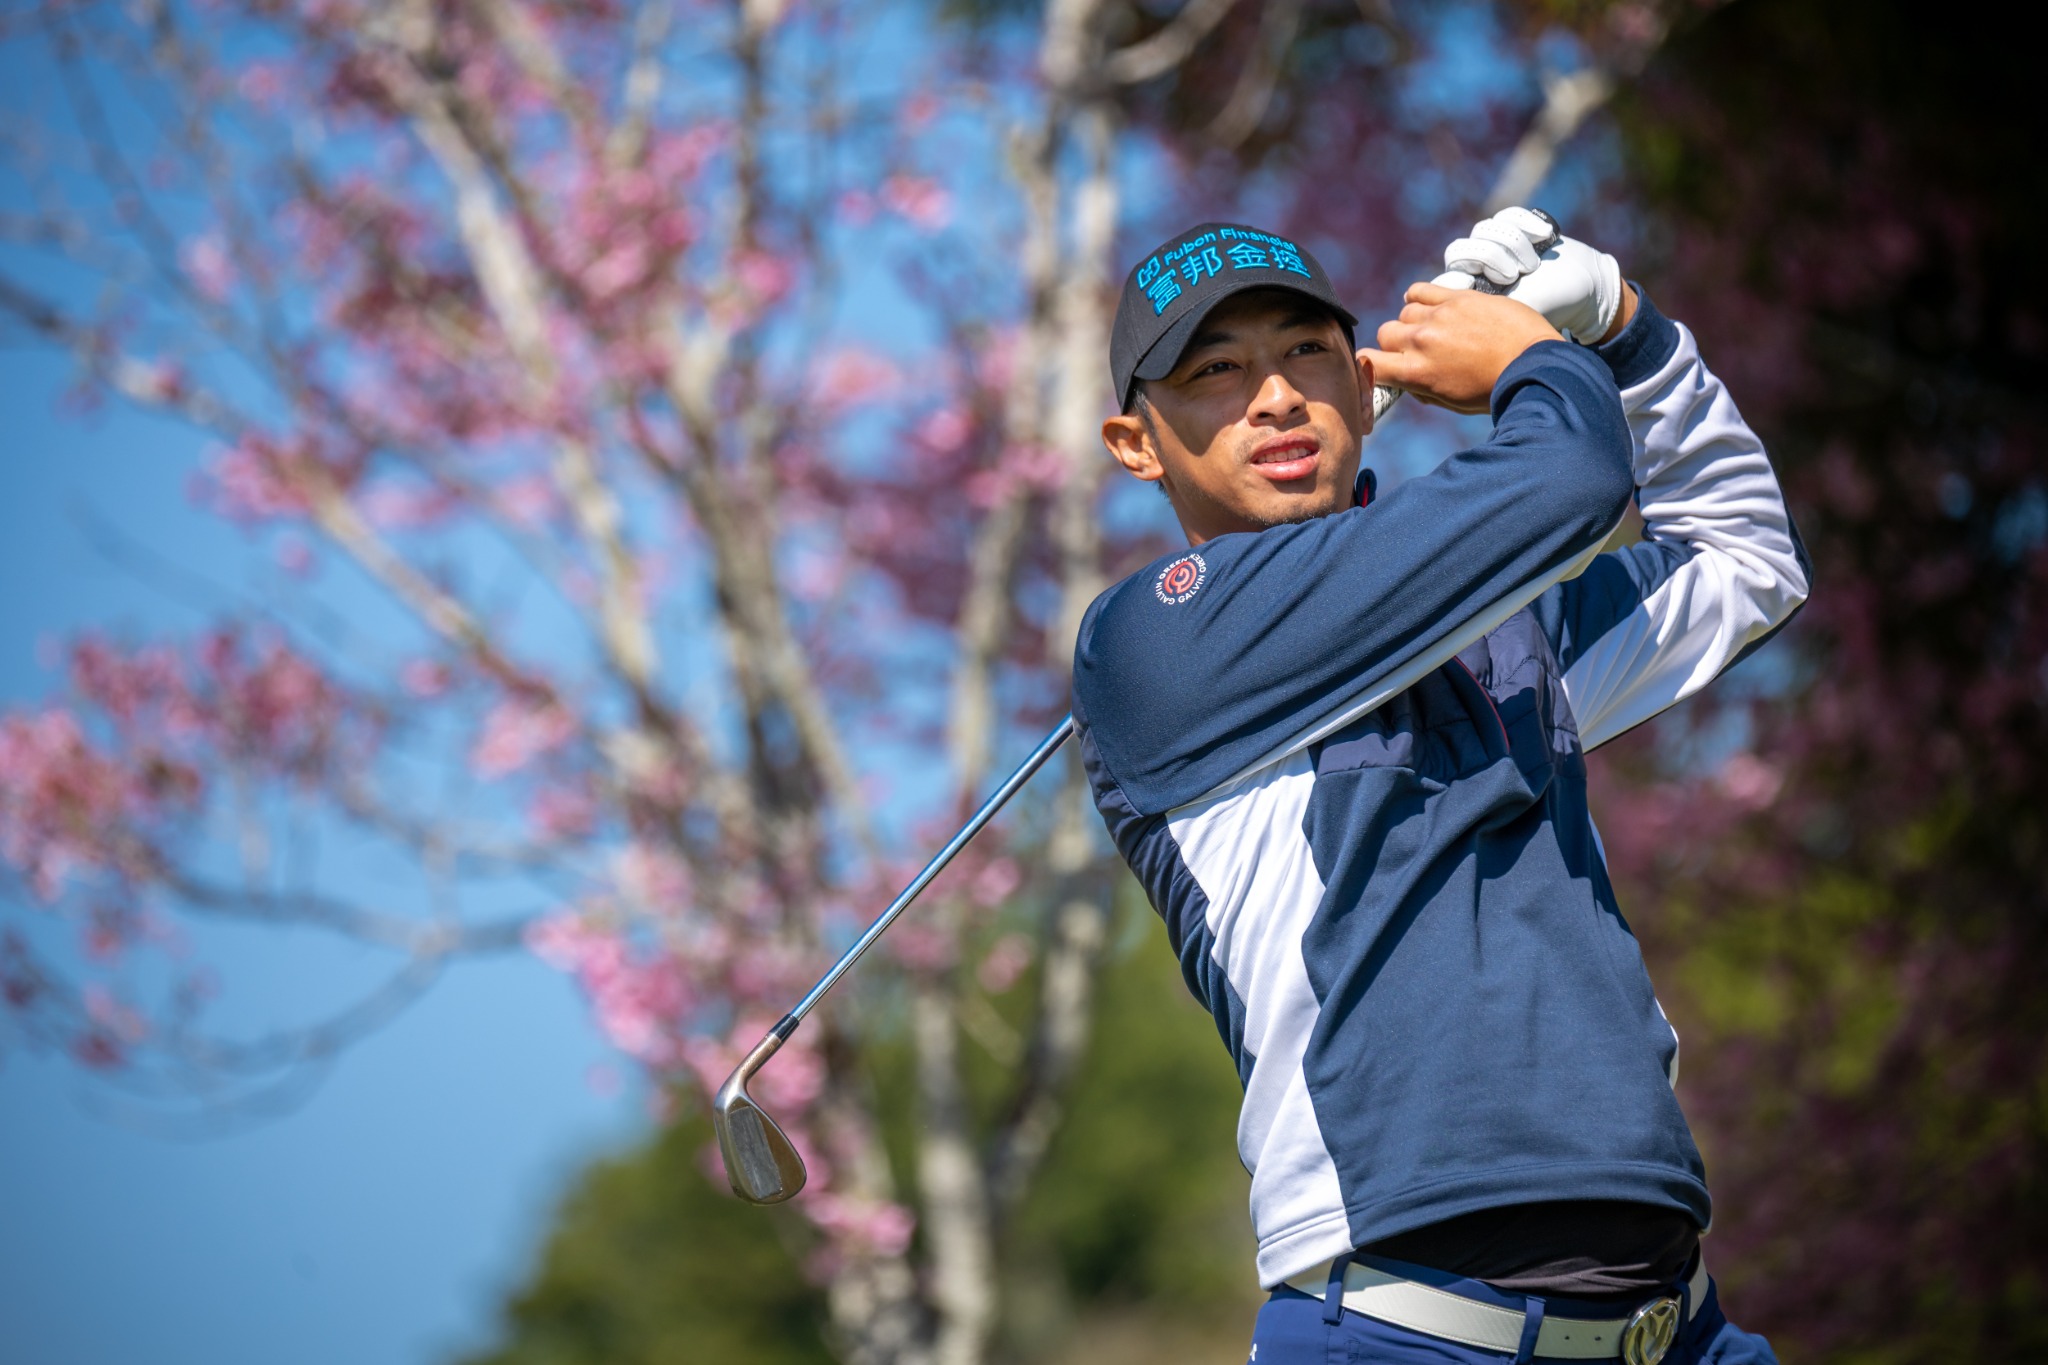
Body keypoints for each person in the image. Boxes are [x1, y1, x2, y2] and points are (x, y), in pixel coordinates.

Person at [1070, 212, 1809, 1365]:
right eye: (1212, 372)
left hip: (1676, 1328)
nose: (1272, 398)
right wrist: (1535, 361)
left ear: (1362, 387)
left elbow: (1742, 560)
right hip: (1398, 1330)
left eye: (1305, 354)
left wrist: (1629, 332)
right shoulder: (1151, 643)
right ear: (1136, 443)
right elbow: (1566, 475)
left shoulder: (1494, 635)